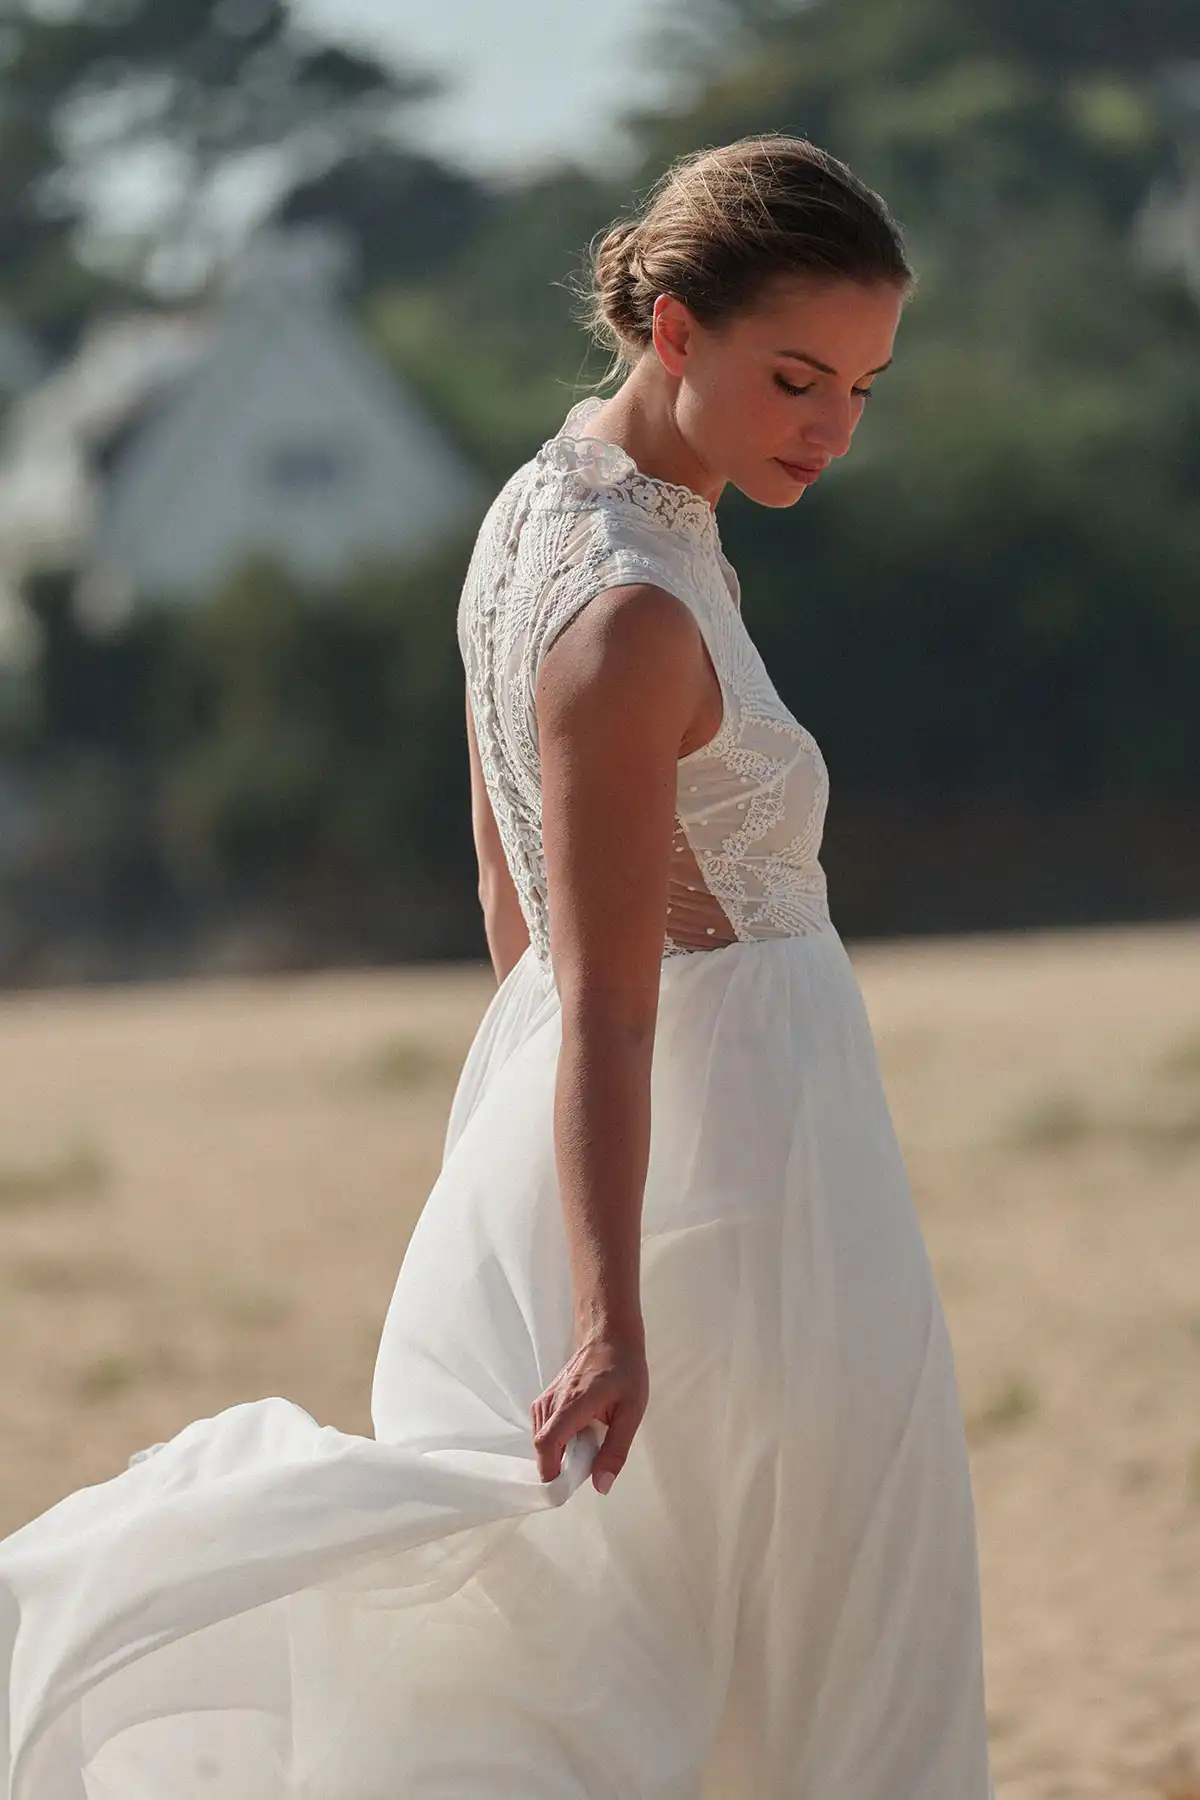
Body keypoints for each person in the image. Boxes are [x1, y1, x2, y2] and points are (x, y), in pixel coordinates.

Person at [0, 134, 993, 1799]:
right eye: (796, 378)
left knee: (695, 1610)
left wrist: (528, 1172)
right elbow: (605, 991)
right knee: (791, 1611)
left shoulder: (558, 503)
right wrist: (608, 1307)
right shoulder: (631, 616)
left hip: (668, 1132)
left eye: (865, 387)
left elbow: (508, 890)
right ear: (674, 333)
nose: (831, 428)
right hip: (741, 1168)